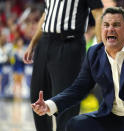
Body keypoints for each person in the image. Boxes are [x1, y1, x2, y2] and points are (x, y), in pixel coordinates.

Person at [31, 7, 124, 131]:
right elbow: (78, 89)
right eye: (106, 25)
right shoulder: (94, 53)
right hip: (114, 118)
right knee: (76, 124)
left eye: (116, 25)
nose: (110, 29)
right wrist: (50, 105)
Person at [23, 0, 103, 131]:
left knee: (65, 102)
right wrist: (33, 43)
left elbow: (99, 14)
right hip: (44, 42)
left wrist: (100, 48)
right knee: (37, 98)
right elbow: (46, 14)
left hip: (69, 43)